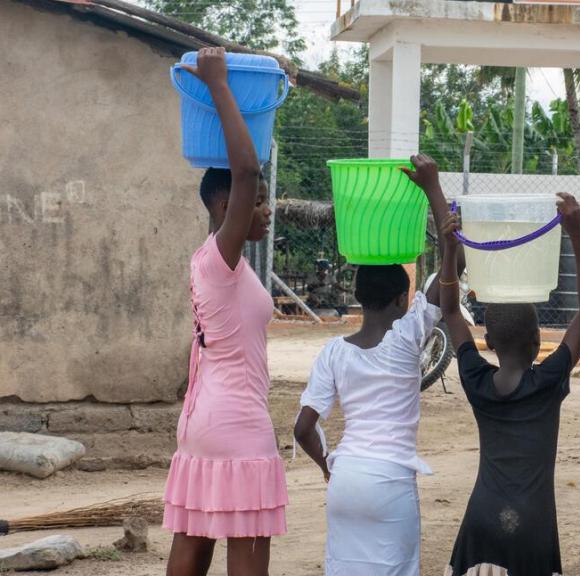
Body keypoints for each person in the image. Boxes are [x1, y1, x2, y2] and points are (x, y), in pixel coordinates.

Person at [293, 154, 464, 576]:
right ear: (402, 301)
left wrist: (329, 466)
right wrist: (432, 189)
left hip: (346, 479)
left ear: (358, 297)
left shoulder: (334, 351)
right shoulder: (408, 337)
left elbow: (302, 429)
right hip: (389, 482)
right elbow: (453, 270)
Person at [162, 47, 284, 576]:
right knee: (245, 552)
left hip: (207, 422)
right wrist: (218, 85)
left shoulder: (213, 264)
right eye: (257, 201)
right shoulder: (220, 258)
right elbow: (247, 167)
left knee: (193, 548)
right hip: (237, 425)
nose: (267, 207)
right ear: (224, 206)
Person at [438, 193, 580, 576]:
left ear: (489, 343)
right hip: (533, 526)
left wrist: (449, 249)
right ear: (538, 342)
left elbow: (448, 310)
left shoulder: (477, 380)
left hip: (481, 518)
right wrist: (576, 234)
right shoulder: (548, 381)